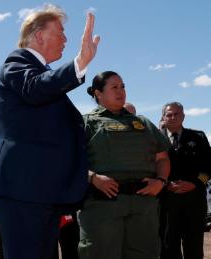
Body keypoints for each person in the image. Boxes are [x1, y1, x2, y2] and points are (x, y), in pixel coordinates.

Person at [0, 4, 100, 258]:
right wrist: (79, 63)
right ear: (38, 35)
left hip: (39, 186)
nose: (66, 38)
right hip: (22, 183)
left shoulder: (44, 73)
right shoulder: (17, 61)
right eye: (60, 32)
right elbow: (35, 88)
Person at [78, 71, 170, 259]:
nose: (121, 91)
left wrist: (160, 181)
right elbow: (68, 161)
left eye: (122, 86)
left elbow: (162, 158)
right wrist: (93, 178)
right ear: (98, 93)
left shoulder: (143, 123)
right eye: (114, 87)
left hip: (143, 205)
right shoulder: (86, 123)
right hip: (102, 205)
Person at [159, 102, 211, 259]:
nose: (173, 117)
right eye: (169, 114)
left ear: (183, 116)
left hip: (194, 199)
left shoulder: (198, 137)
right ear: (163, 117)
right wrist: (165, 184)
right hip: (166, 200)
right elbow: (149, 166)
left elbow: (209, 166)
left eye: (177, 114)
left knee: (194, 244)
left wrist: (195, 183)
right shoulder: (155, 139)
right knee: (168, 244)